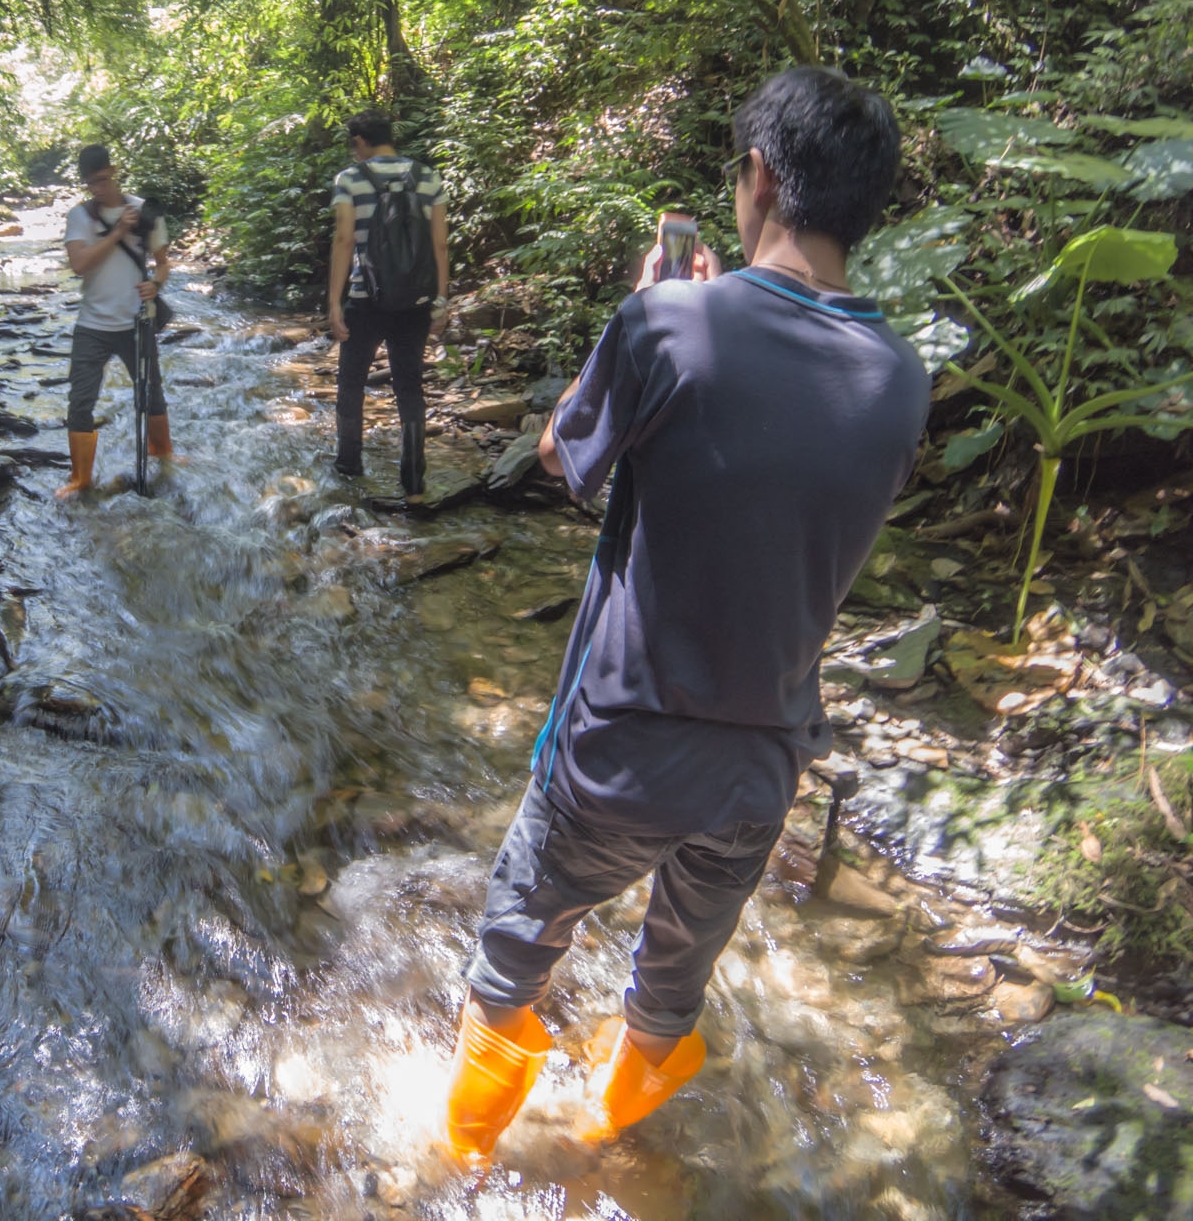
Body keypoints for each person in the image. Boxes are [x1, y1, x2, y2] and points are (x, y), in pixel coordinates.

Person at [444, 66, 931, 1166]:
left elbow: (562, 459)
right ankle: (612, 1134)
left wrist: (648, 305)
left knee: (516, 943)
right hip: (761, 766)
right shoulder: (901, 376)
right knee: (668, 985)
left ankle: (461, 1157)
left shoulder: (666, 323)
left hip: (622, 744)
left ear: (756, 178)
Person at [328, 110, 451, 499]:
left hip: (366, 299)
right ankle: (413, 478)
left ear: (361, 142)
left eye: (354, 145)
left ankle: (349, 464)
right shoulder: (428, 177)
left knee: (350, 383)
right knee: (410, 386)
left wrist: (334, 301)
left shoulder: (349, 180)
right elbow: (441, 245)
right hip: (415, 301)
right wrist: (441, 300)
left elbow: (344, 241)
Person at [56, 144, 173, 500]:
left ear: (115, 170)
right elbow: (80, 265)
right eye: (91, 183)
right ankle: (80, 478)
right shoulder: (80, 217)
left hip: (136, 322)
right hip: (92, 324)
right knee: (80, 401)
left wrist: (156, 283)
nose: (99, 188)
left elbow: (164, 262)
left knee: (151, 392)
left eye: (103, 180)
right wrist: (118, 233)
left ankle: (163, 454)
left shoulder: (144, 211)